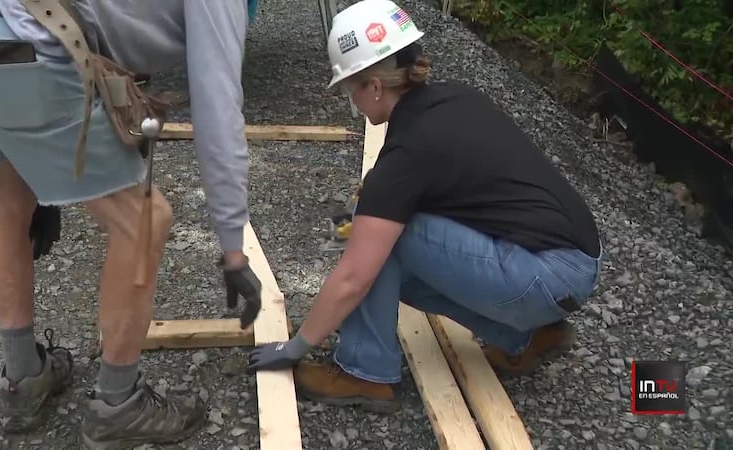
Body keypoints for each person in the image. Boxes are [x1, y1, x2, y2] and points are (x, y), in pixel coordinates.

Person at [0, 0, 262, 448]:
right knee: (143, 221)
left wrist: (41, 172)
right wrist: (232, 247)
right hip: (20, 37)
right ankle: (117, 406)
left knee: (7, 196)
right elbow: (218, 108)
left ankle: (23, 378)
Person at [247, 0, 603, 412]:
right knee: (402, 270)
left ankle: (363, 373)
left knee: (377, 246)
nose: (352, 100)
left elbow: (354, 277)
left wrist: (296, 346)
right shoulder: (454, 101)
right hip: (574, 261)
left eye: (350, 88)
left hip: (543, 275)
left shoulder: (408, 153)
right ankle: (531, 336)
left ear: (375, 86)